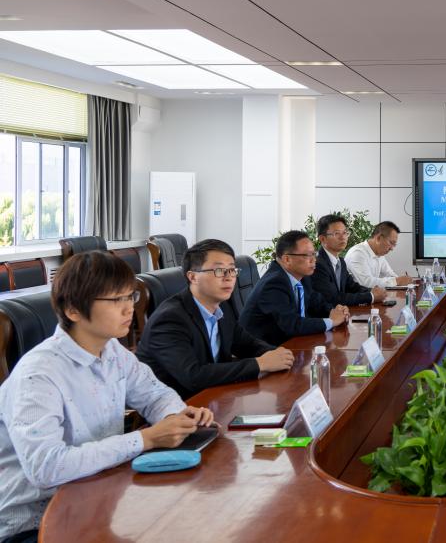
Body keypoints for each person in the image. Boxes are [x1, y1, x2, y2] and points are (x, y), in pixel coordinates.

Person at [0, 251, 213, 543]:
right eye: (115, 300)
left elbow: (154, 393)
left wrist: (176, 416)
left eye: (130, 297)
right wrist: (146, 439)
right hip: (35, 526)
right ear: (73, 310)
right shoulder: (38, 375)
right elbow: (47, 467)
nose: (129, 309)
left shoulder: (111, 351)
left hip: (98, 501)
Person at [136, 239, 295, 400]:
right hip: (178, 406)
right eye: (219, 270)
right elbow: (193, 376)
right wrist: (261, 363)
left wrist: (278, 355)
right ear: (193, 277)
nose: (229, 277)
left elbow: (247, 344)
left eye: (232, 270)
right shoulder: (169, 319)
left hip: (215, 397)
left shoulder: (221, 306)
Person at [239, 231, 350, 346]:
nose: (314, 260)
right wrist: (332, 321)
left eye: (314, 254)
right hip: (264, 350)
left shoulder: (301, 276)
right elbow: (292, 325)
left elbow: (317, 303)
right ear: (287, 259)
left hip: (291, 344)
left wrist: (334, 311)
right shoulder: (273, 283)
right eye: (307, 255)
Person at [311, 214, 386, 307]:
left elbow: (352, 287)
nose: (343, 237)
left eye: (345, 233)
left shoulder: (341, 262)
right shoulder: (317, 264)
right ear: (323, 239)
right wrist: (371, 296)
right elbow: (333, 298)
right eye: (337, 233)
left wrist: (372, 291)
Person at [344, 221, 414, 290]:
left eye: (394, 245)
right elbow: (366, 283)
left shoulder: (379, 254)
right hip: (357, 296)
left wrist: (402, 280)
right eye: (391, 243)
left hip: (370, 295)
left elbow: (390, 274)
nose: (392, 248)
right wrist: (397, 281)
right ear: (378, 238)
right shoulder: (358, 253)